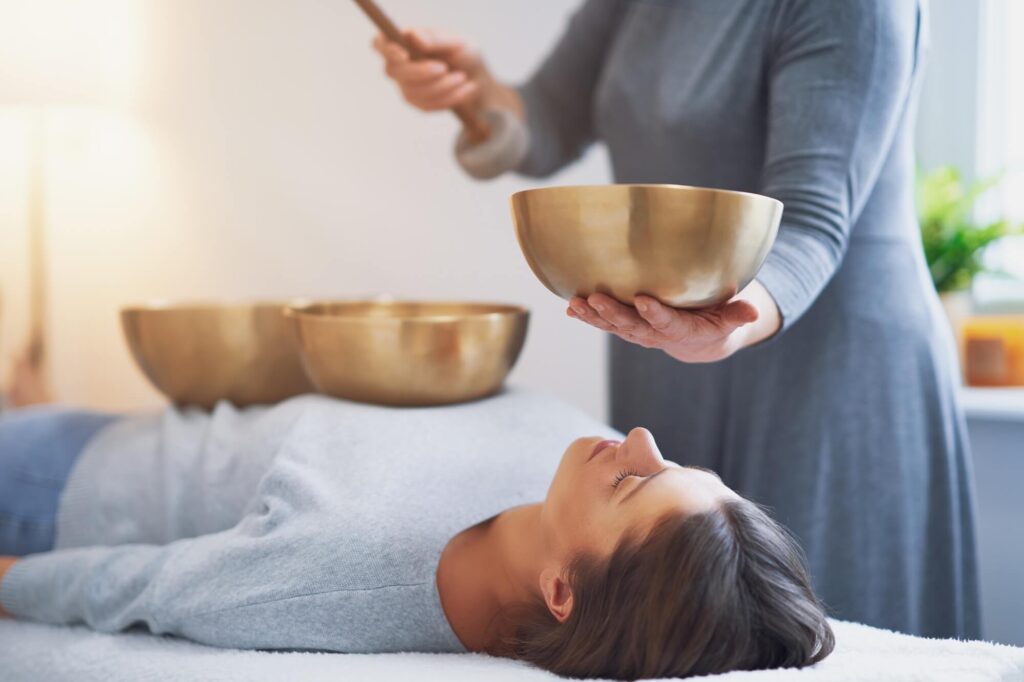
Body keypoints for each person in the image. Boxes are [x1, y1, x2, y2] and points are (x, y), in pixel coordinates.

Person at [372, 0, 980, 638]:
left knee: (806, 636)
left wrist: (730, 325)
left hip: (821, 364)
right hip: (669, 342)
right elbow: (550, 117)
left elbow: (811, 220)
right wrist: (478, 94)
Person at [0, 391, 832, 679]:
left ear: (562, 590)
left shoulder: (343, 569)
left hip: (64, 484)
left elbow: (147, 586)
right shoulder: (580, 469)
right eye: (675, 464)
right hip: (156, 415)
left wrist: (12, 582)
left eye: (636, 481)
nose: (639, 440)